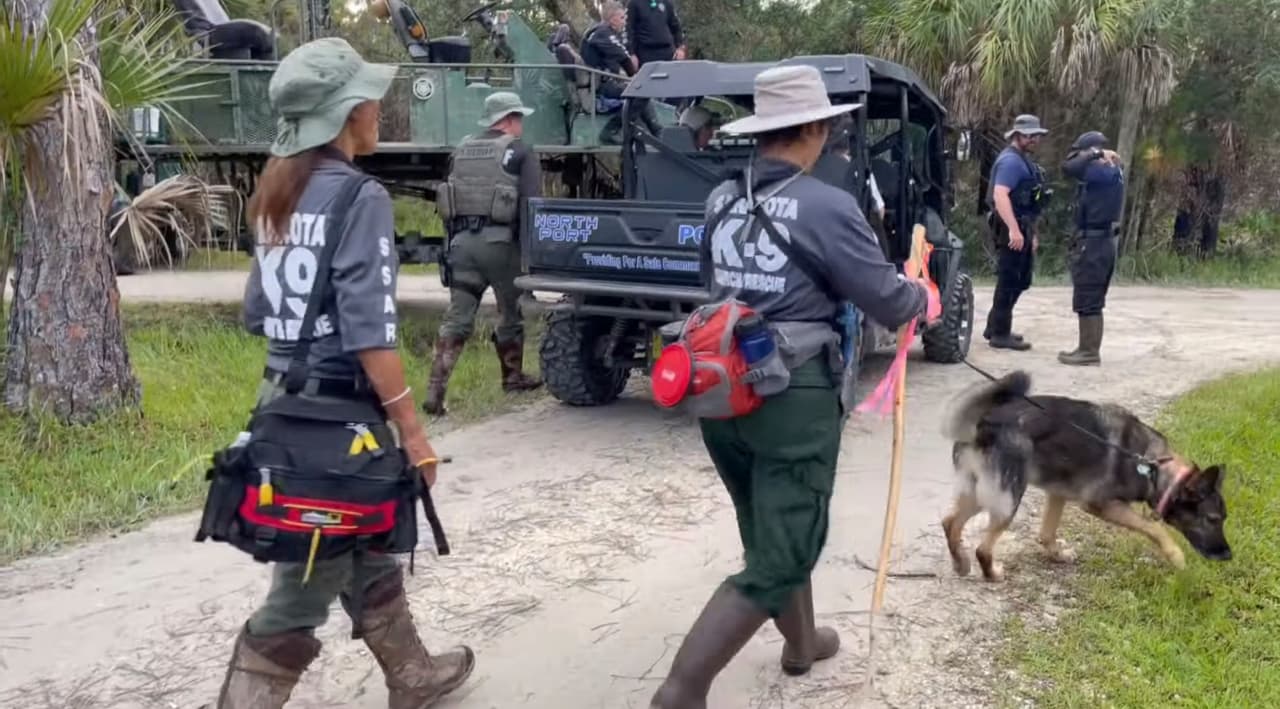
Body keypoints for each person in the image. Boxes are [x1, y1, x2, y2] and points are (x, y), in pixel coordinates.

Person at [648, 65, 939, 708]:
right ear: (811, 127)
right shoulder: (828, 206)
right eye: (828, 123)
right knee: (782, 548)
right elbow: (891, 304)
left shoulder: (721, 198)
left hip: (721, 386)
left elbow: (714, 288)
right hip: (792, 395)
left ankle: (801, 643)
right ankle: (682, 689)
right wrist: (922, 292)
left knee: (770, 525)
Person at [224, 37, 473, 707]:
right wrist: (415, 434)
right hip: (337, 423)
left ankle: (412, 675)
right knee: (301, 588)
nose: (378, 108)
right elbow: (371, 331)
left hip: (282, 407)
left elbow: (257, 313)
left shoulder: (277, 189)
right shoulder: (359, 198)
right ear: (346, 114)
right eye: (370, 99)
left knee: (362, 538)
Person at [424, 92, 544, 416]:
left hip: (462, 245)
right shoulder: (520, 151)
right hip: (501, 246)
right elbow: (532, 205)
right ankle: (513, 378)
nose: (521, 124)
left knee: (457, 317)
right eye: (518, 118)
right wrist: (531, 254)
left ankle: (435, 391)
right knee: (509, 312)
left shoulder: (460, 151)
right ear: (506, 120)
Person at [983, 114, 1050, 351]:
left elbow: (1030, 202)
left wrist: (1031, 233)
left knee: (1019, 280)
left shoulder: (1022, 160)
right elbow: (1000, 195)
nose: (1035, 140)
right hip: (1010, 227)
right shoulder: (1011, 162)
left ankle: (995, 326)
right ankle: (1000, 334)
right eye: (1032, 136)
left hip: (1022, 225)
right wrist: (1013, 229)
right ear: (1019, 136)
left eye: (1037, 136)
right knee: (1009, 280)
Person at [1058, 131, 1125, 366]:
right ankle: (1087, 348)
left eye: (1081, 153)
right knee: (1093, 297)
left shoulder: (1098, 170)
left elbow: (1068, 167)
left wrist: (1094, 154)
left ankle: (1089, 352)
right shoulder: (1112, 171)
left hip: (1094, 244)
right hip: (1102, 242)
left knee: (1088, 296)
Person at [582, 0, 662, 141]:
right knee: (640, 92)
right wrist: (636, 77)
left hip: (606, 82)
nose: (624, 22)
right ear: (612, 19)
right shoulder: (603, 33)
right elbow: (623, 57)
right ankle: (611, 130)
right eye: (622, 18)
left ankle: (658, 132)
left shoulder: (605, 32)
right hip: (601, 87)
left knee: (641, 91)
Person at [626, 0, 686, 67]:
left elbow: (676, 27)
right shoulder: (634, 3)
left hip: (667, 51)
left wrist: (680, 48)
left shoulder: (666, 2)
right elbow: (629, 30)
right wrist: (632, 54)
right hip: (646, 52)